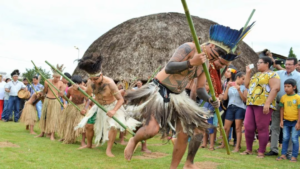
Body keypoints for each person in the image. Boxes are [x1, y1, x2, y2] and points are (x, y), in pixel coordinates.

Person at [124, 22, 253, 168]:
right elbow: (170, 67)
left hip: (179, 96)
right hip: (160, 90)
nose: (213, 60)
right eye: (214, 55)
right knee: (152, 129)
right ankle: (134, 141)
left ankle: (184, 164)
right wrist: (191, 62)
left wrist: (210, 99)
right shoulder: (189, 47)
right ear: (210, 46)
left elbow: (199, 89)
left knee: (193, 131)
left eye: (216, 58)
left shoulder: (206, 64)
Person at [74, 53, 141, 157]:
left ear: (101, 75)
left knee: (113, 126)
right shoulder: (90, 83)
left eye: (96, 79)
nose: (93, 81)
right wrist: (78, 89)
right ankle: (89, 145)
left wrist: (114, 110)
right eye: (91, 79)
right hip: (98, 107)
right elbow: (88, 95)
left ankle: (108, 150)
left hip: (112, 106)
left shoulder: (110, 83)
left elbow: (120, 99)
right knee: (88, 125)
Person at [241, 56, 280, 158]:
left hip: (263, 104)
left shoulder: (273, 74)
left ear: (267, 64)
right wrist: (248, 72)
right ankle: (249, 149)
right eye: (257, 62)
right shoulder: (256, 74)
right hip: (251, 103)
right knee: (248, 126)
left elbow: (275, 88)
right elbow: (247, 85)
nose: (257, 64)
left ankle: (261, 151)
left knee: (262, 127)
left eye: (260, 62)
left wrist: (267, 103)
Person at [266, 58, 300, 159]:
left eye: (290, 64)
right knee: (274, 127)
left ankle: (289, 152)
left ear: (295, 65)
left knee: (290, 130)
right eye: (286, 64)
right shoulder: (279, 73)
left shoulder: (298, 76)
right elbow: (269, 73)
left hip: (292, 106)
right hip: (278, 104)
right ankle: (274, 149)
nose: (287, 66)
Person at [35, 65, 65, 141]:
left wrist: (62, 94)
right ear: (53, 76)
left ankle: (52, 135)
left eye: (59, 77)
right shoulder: (47, 81)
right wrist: (41, 93)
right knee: (44, 116)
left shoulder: (61, 83)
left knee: (54, 118)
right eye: (56, 77)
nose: (58, 79)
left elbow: (62, 94)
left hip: (56, 101)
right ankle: (42, 132)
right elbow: (45, 91)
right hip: (47, 100)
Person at [219, 72, 247, 152]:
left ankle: (237, 147)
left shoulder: (243, 87)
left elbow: (244, 100)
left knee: (238, 128)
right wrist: (227, 88)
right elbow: (224, 98)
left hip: (240, 108)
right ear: (238, 77)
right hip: (230, 108)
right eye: (243, 79)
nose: (243, 81)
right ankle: (223, 144)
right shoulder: (230, 86)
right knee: (226, 128)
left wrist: (239, 90)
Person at [59, 75, 88, 146]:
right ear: (72, 83)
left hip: (81, 107)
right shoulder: (69, 89)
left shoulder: (84, 90)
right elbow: (67, 99)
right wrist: (63, 96)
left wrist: (85, 109)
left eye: (79, 84)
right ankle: (67, 137)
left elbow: (88, 100)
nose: (77, 86)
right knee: (68, 122)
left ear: (81, 83)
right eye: (75, 84)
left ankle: (83, 141)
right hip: (72, 107)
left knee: (82, 124)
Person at [276, 79, 300, 162]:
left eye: (288, 86)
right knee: (285, 138)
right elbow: (282, 109)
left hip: (295, 122)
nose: (286, 88)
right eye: (285, 86)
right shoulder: (283, 97)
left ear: (294, 87)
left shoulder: (298, 98)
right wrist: (281, 120)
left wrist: (298, 122)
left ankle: (294, 156)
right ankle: (283, 155)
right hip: (286, 121)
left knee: (294, 139)